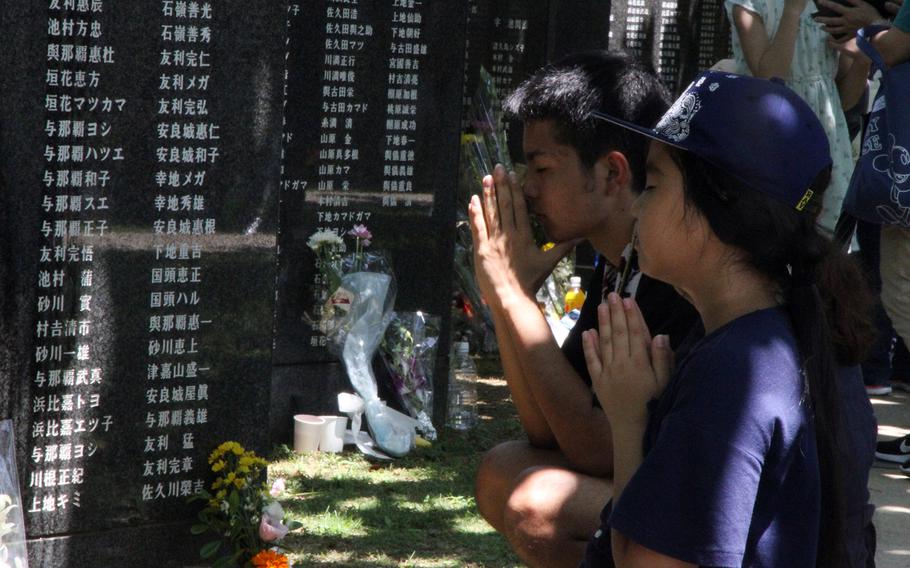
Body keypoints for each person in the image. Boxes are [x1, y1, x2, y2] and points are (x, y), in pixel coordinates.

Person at [577, 71, 876, 566]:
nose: (633, 205)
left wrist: (630, 421)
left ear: (721, 207)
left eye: (651, 185)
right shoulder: (786, 332)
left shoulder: (735, 374)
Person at [468, 51, 698, 567]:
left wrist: (512, 293)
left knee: (538, 505)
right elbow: (548, 431)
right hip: (646, 482)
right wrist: (506, 297)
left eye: (543, 168)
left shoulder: (668, 271)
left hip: (700, 515)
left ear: (613, 172)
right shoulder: (620, 262)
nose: (528, 188)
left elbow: (595, 448)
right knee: (501, 471)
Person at [725, 0, 871, 235]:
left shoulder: (826, 4)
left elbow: (843, 98)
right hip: (776, 141)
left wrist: (863, 61)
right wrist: (792, 11)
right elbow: (770, 78)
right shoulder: (748, 5)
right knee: (778, 227)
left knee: (825, 239)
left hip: (828, 148)